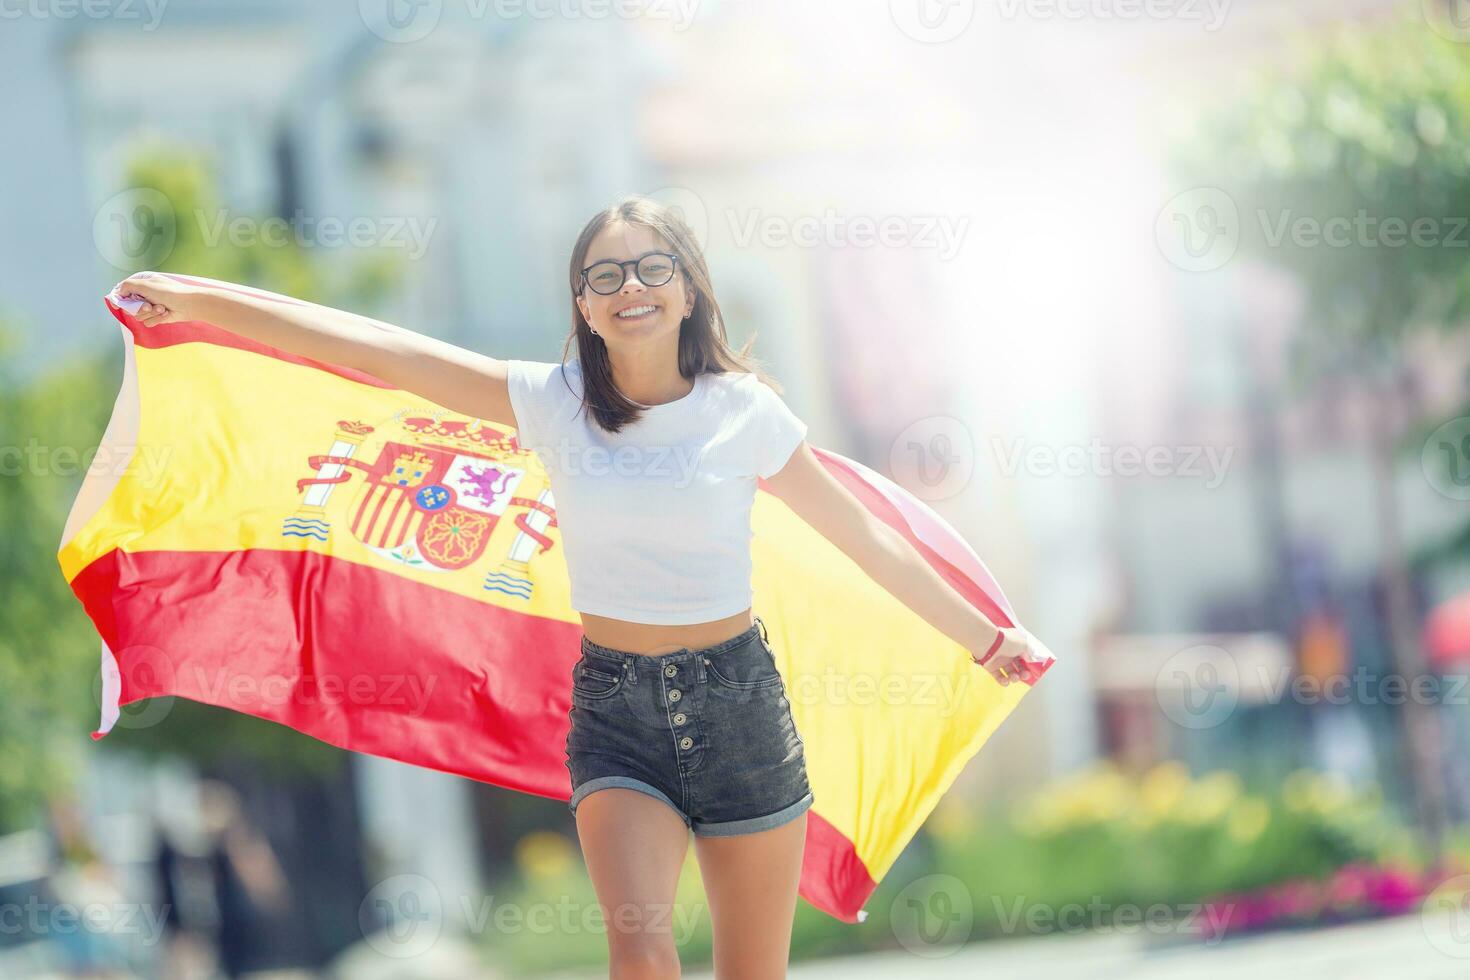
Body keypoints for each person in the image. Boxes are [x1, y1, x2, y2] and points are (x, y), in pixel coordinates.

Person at [114, 194, 1035, 978]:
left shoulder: (742, 413)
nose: (629, 287)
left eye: (650, 268)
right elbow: (380, 352)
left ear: (688, 291)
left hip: (741, 709)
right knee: (637, 957)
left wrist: (989, 639)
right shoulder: (553, 404)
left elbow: (863, 536)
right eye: (605, 276)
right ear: (584, 309)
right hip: (616, 715)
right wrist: (202, 301)